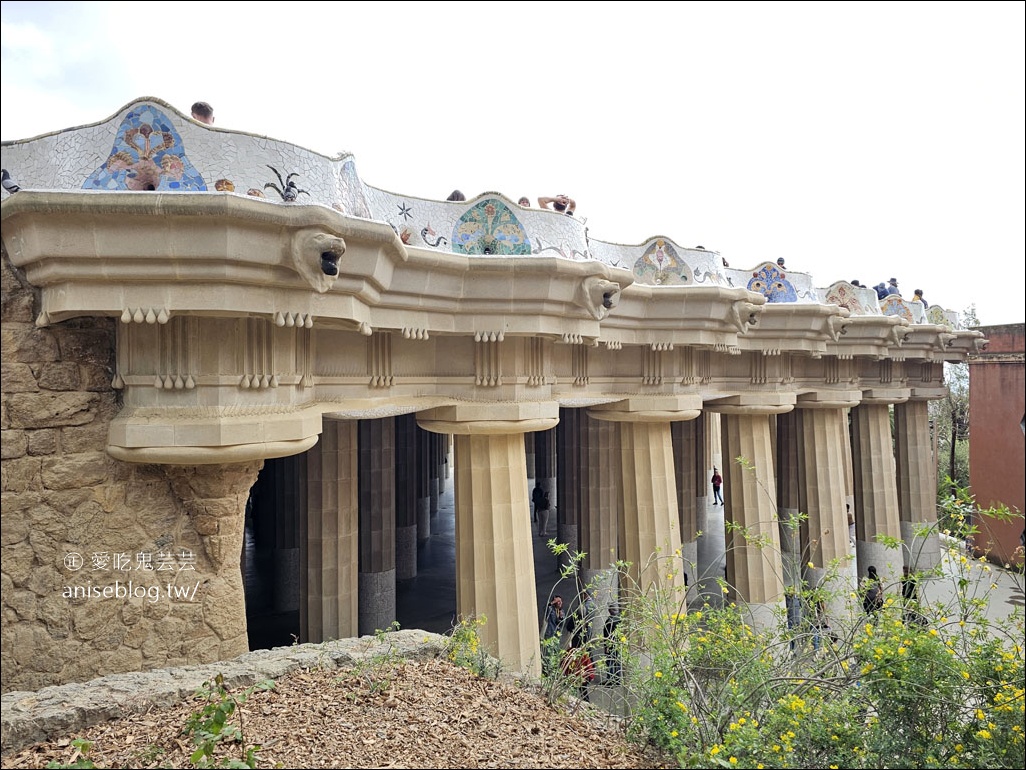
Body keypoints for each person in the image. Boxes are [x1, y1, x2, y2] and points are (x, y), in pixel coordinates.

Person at [602, 603, 623, 684]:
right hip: (617, 643)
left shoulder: (611, 621)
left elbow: (608, 635)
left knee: (610, 661)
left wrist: (606, 646)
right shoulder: (619, 619)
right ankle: (617, 679)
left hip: (611, 644)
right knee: (616, 661)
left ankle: (611, 680)